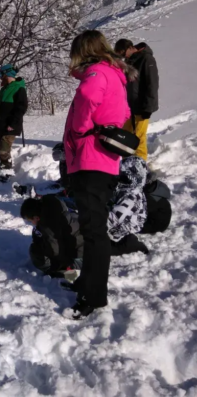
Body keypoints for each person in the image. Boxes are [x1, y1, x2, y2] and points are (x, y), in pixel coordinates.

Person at [64, 30, 135, 319]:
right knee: (91, 226)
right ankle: (86, 283)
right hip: (102, 162)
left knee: (94, 231)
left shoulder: (97, 74)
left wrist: (80, 129)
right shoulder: (114, 75)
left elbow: (88, 96)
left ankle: (92, 296)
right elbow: (125, 111)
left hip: (91, 159)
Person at [21, 195, 149, 279]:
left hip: (81, 254)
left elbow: (54, 251)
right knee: (103, 249)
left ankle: (68, 274)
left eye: (30, 220)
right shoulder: (55, 207)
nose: (31, 223)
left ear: (36, 217)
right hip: (87, 238)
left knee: (39, 254)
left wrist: (42, 247)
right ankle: (128, 243)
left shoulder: (47, 226)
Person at [114, 39, 159, 161]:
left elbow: (152, 84)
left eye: (122, 53)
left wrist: (148, 107)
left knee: (139, 137)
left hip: (142, 106)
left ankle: (140, 166)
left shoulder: (147, 59)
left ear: (130, 48)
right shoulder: (130, 60)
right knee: (125, 134)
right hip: (129, 106)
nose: (122, 57)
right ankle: (126, 162)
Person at [0, 64, 28, 174]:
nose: (1, 78)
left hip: (10, 125)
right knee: (2, 148)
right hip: (1, 124)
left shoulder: (19, 88)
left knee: (3, 151)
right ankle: (5, 169)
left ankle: (7, 172)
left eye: (2, 75)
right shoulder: (4, 89)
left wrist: (13, 123)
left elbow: (21, 108)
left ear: (7, 75)